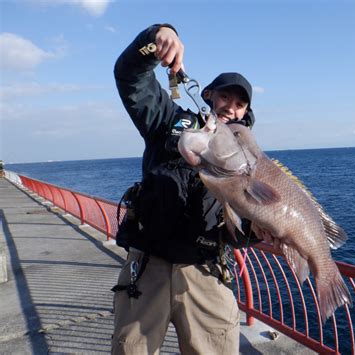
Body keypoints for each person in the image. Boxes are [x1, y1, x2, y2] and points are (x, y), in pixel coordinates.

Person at [111, 23, 260, 355]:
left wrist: (262, 231)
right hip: (148, 267)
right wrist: (157, 36)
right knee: (128, 350)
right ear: (208, 95)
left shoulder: (250, 165)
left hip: (206, 271)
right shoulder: (167, 121)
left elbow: (242, 231)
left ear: (246, 115)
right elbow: (129, 76)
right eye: (225, 96)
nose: (230, 107)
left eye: (240, 104)